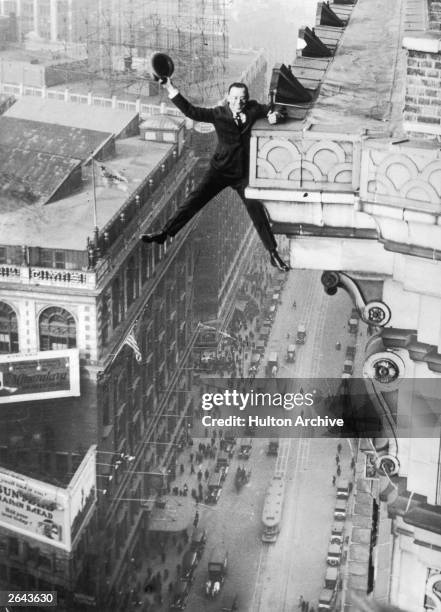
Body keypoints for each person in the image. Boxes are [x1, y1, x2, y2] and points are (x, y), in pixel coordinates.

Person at [141, 78, 290, 272]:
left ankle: (273, 254)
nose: (238, 103)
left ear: (248, 99)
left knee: (256, 209)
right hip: (219, 170)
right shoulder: (218, 114)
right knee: (195, 199)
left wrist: (276, 115)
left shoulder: (253, 109)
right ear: (228, 98)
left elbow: (277, 108)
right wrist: (170, 87)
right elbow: (191, 111)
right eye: (235, 98)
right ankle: (164, 233)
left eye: (242, 99)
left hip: (242, 174)